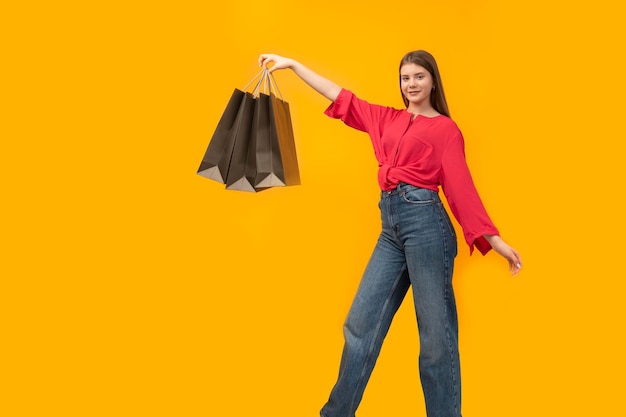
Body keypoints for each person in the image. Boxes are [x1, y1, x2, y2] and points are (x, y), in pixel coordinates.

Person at [258, 51, 522, 417]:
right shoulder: (387, 118)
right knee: (360, 324)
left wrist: (495, 240)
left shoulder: (446, 130)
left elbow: (461, 188)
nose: (411, 85)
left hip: (427, 226)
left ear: (432, 81)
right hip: (391, 228)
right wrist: (293, 65)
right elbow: (340, 96)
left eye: (418, 77)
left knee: (435, 340)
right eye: (405, 78)